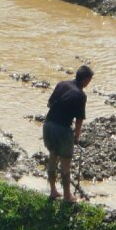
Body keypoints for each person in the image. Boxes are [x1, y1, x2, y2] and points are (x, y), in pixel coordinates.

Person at [43, 65, 93, 202]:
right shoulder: (81, 95)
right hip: (62, 129)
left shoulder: (61, 84)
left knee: (53, 156)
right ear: (86, 80)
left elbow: (49, 104)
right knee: (66, 163)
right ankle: (67, 196)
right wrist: (76, 136)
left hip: (48, 125)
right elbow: (79, 119)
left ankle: (53, 191)